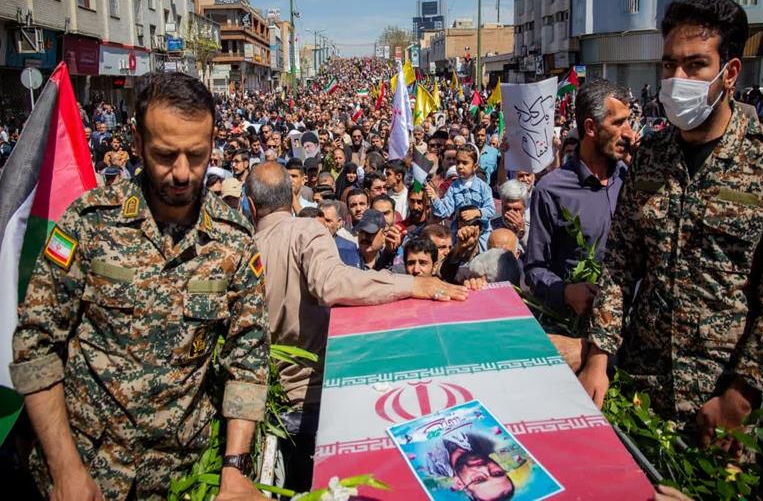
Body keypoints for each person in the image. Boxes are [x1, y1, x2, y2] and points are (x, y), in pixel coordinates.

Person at [10, 72, 268, 499]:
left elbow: (248, 358)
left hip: (179, 478)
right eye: (165, 155)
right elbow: (35, 346)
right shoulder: (89, 223)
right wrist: (65, 468)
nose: (182, 173)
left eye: (196, 156)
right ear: (137, 143)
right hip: (84, 470)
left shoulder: (234, 240)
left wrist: (235, 468)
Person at [580, 0, 763, 444]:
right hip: (641, 392)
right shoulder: (650, 158)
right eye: (669, 65)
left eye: (695, 65)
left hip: (723, 407)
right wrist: (599, 358)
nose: (677, 79)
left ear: (730, 73)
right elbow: (620, 264)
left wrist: (740, 399)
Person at [245, 162, 467, 490]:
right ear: (292, 194)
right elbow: (332, 284)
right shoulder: (306, 232)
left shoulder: (243, 249)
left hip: (271, 412)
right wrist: (409, 285)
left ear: (251, 206)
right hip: (317, 404)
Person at [524, 78, 633, 328]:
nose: (628, 133)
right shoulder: (551, 190)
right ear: (591, 127)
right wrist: (565, 292)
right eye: (618, 123)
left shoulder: (633, 178)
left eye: (628, 121)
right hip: (577, 329)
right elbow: (535, 269)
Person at [426, 145, 495, 252]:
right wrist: (434, 198)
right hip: (459, 235)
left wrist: (477, 212)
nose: (460, 166)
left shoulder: (483, 187)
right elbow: (444, 211)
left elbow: (491, 210)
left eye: (465, 163)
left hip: (481, 236)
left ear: (475, 166)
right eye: (458, 162)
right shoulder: (453, 187)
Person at [489, 180, 530, 254]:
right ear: (502, 205)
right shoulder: (492, 226)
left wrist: (522, 233)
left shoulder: (532, 227)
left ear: (524, 208)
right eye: (507, 209)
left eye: (516, 209)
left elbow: (535, 253)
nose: (511, 213)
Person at [318, 199, 361, 267]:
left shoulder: (348, 248)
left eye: (328, 221)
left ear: (339, 222)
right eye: (321, 221)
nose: (324, 224)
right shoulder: (309, 245)